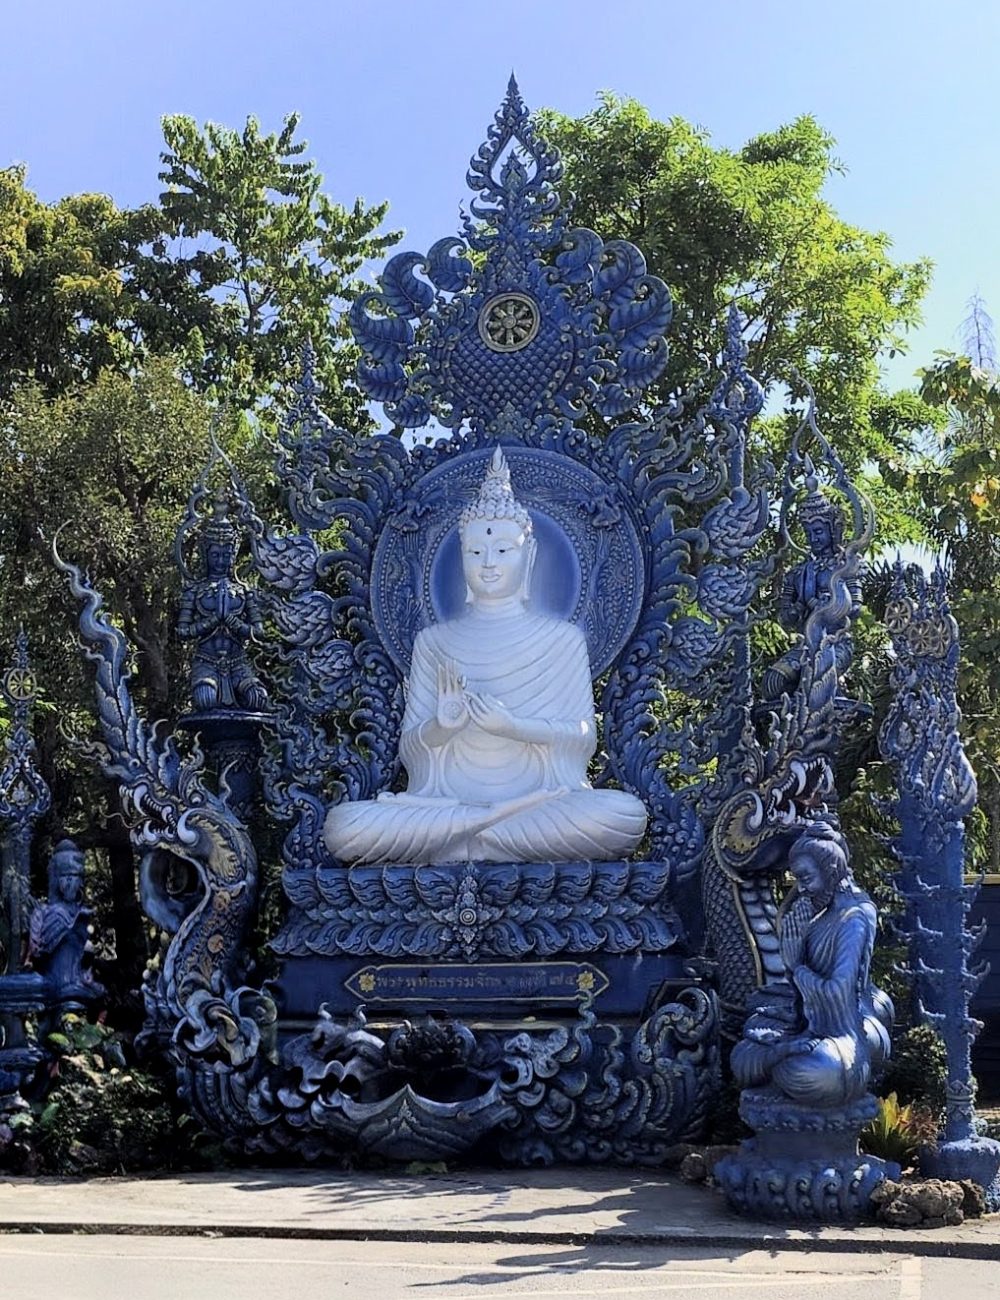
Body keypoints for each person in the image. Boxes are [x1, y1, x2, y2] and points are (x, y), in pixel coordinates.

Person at [324, 449, 647, 866]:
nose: (488, 564)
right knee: (345, 826)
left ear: (528, 556)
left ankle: (465, 839)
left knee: (621, 816)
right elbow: (411, 747)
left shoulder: (562, 640)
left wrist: (514, 727)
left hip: (537, 804)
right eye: (475, 552)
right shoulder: (433, 641)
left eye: (502, 551)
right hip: (447, 806)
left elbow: (582, 737)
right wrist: (442, 727)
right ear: (461, 559)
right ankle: (488, 831)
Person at [730, 822, 892, 1108]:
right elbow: (800, 999)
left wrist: (796, 965)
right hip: (811, 1030)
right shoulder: (818, 916)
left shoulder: (852, 918)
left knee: (815, 1071)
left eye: (805, 878)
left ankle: (781, 1059)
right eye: (796, 878)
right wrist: (796, 949)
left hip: (839, 1040)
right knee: (746, 1048)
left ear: (830, 872)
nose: (801, 888)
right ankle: (781, 1054)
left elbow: (838, 993)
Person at [760, 486, 860, 706]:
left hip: (835, 642)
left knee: (816, 678)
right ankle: (793, 724)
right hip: (805, 646)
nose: (813, 538)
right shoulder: (797, 573)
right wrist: (793, 612)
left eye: (818, 531)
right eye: (808, 533)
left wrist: (830, 608)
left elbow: (855, 609)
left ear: (832, 530)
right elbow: (784, 616)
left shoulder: (844, 567)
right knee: (773, 683)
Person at [177, 494, 268, 713]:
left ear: (234, 556)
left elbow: (259, 632)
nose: (220, 561)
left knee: (258, 698)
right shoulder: (195, 590)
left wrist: (233, 623)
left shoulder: (243, 591)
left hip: (237, 663)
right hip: (206, 662)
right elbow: (182, 631)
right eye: (215, 555)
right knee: (206, 699)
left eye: (226, 555)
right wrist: (211, 622)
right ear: (205, 555)